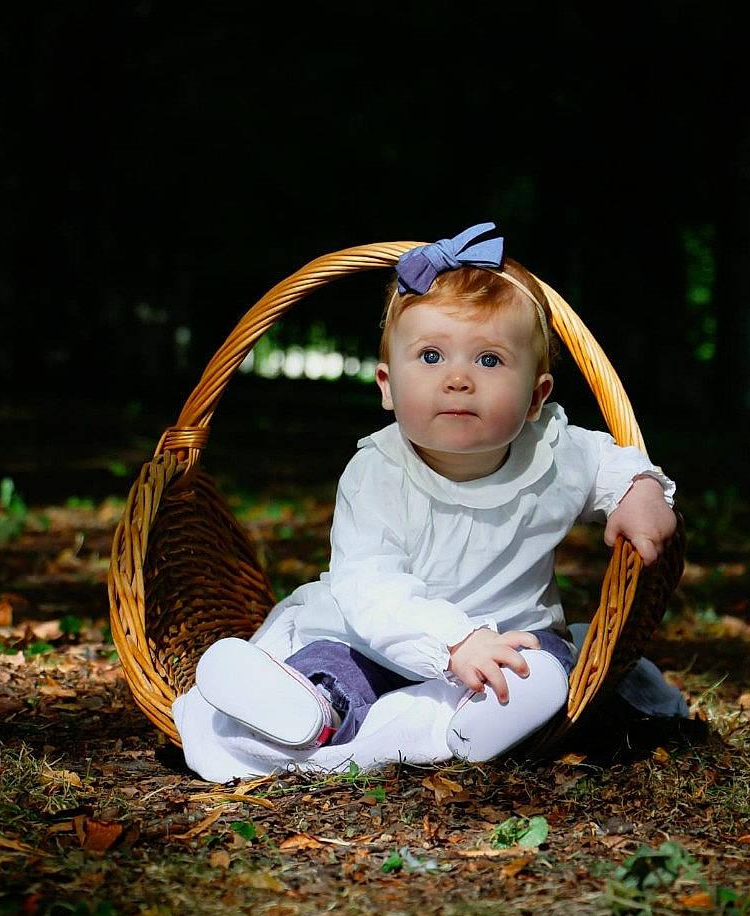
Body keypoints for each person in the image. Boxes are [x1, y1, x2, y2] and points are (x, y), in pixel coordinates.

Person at [173, 222, 684, 782]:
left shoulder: (555, 451)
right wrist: (453, 642)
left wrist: (640, 491)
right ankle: (306, 709)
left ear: (537, 397)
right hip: (379, 637)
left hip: (512, 632)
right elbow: (370, 588)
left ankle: (489, 716)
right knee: (338, 666)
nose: (459, 379)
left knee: (545, 665)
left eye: (489, 360)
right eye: (432, 356)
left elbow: (614, 461)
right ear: (387, 387)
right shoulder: (376, 474)